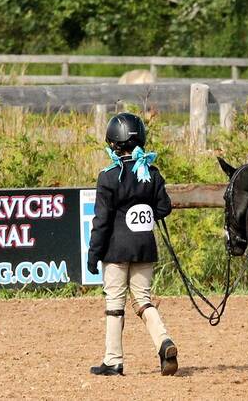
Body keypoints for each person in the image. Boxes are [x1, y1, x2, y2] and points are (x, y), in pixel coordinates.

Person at [87, 112, 177, 377]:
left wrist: (93, 255)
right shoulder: (152, 172)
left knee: (115, 304)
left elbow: (101, 221)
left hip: (115, 249)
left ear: (113, 142)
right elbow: (164, 207)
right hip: (144, 248)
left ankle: (113, 360)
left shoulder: (108, 176)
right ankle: (164, 342)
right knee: (143, 300)